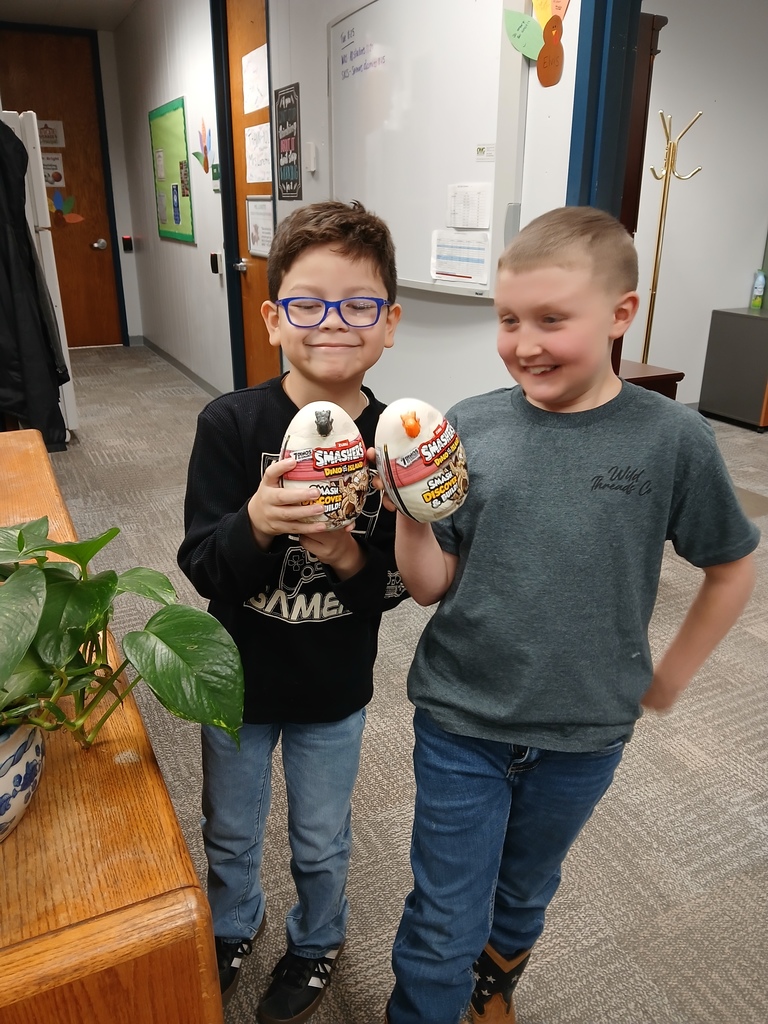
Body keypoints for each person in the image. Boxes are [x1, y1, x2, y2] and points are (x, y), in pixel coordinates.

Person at [383, 206, 760, 1024]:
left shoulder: (672, 439)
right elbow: (430, 585)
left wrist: (670, 678)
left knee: (524, 888)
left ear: (621, 313)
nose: (524, 343)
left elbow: (732, 567)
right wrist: (410, 516)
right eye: (509, 319)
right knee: (445, 913)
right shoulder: (471, 424)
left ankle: (495, 985)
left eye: (552, 319)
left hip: (585, 732)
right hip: (461, 719)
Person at [178, 200, 406, 1024]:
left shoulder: (393, 442)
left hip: (332, 687)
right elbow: (202, 564)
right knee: (230, 828)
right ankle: (232, 924)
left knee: (320, 835)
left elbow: (395, 587)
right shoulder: (231, 423)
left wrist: (345, 550)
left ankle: (318, 939)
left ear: (390, 323)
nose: (333, 322)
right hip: (235, 681)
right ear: (274, 319)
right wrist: (256, 522)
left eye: (359, 305)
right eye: (307, 304)